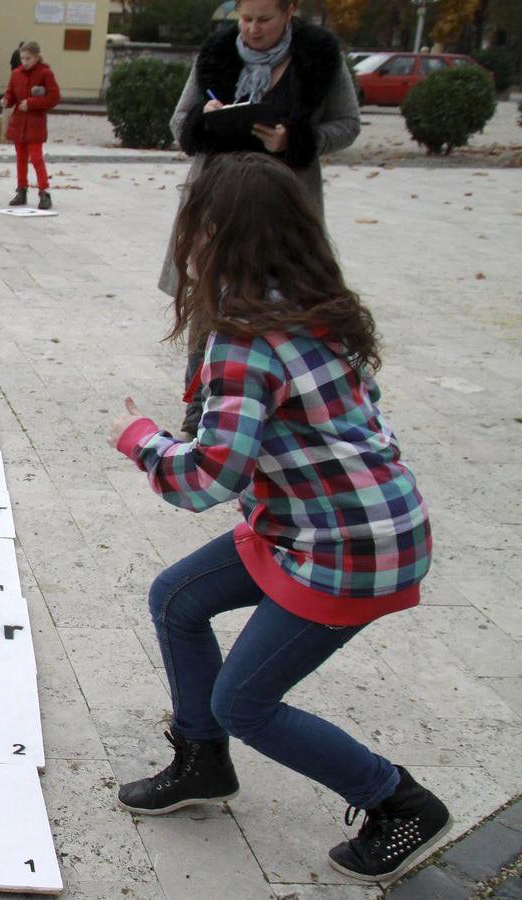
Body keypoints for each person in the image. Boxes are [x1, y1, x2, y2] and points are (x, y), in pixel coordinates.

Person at [108, 152, 448, 887]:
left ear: (216, 236)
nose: (182, 238)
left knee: (247, 703)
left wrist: (141, 441)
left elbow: (204, 480)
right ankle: (202, 762)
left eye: (191, 223)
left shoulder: (246, 337)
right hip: (319, 523)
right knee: (179, 597)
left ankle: (398, 801)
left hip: (350, 547)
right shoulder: (308, 306)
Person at [160, 0, 361, 436]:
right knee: (208, 299)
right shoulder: (217, 54)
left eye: (264, 20)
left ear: (289, 12)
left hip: (282, 202)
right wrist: (204, 120)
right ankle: (200, 404)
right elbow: (181, 122)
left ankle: (281, 393)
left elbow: (347, 125)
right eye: (245, 19)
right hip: (219, 198)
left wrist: (295, 138)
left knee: (282, 294)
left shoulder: (319, 56)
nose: (252, 29)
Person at [3, 40, 60, 209]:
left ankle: (44, 192)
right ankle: (21, 190)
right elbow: (11, 94)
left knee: (36, 158)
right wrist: (6, 100)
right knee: (21, 158)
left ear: (36, 57)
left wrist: (32, 103)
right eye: (23, 58)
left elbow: (54, 98)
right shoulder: (16, 74)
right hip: (19, 122)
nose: (25, 62)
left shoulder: (45, 73)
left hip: (35, 122)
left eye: (28, 58)